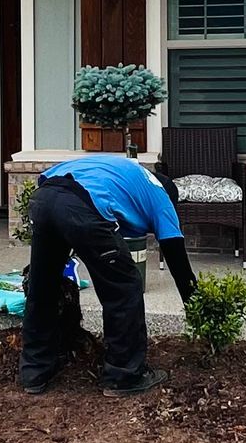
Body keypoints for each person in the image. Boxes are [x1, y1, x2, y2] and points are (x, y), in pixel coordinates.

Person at [20, 152, 198, 398]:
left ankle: (34, 371)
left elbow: (56, 189)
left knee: (44, 286)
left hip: (44, 198)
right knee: (124, 287)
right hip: (83, 205)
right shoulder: (161, 197)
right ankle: (124, 375)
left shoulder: (127, 174)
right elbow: (178, 262)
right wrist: (197, 308)